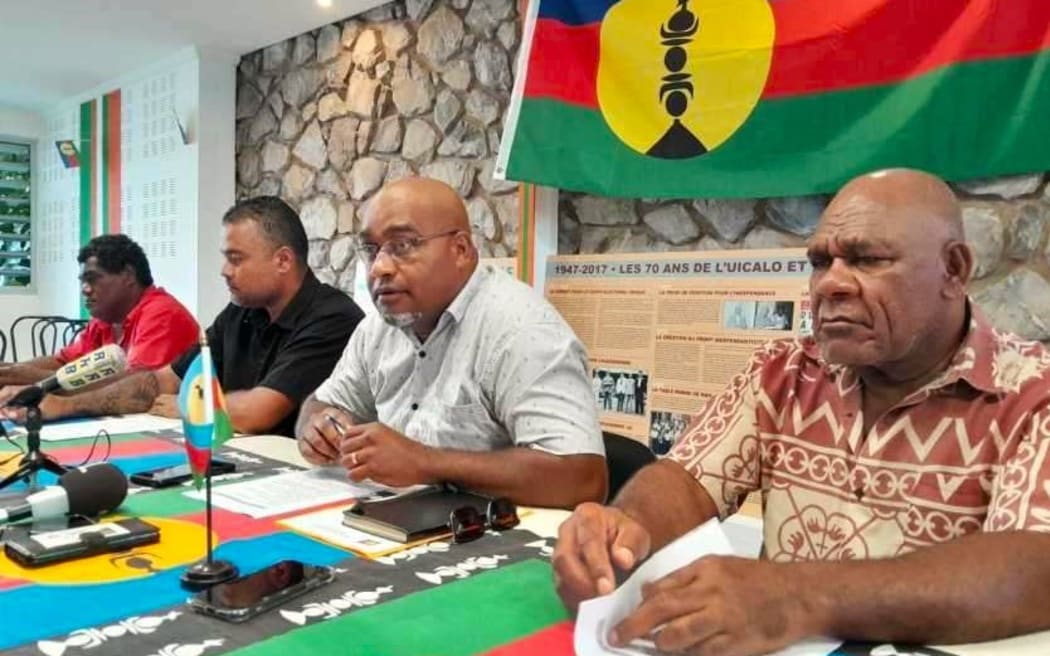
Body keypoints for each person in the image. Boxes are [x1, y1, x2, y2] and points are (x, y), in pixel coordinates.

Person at [552, 169, 1050, 654]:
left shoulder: (1032, 392)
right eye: (819, 261)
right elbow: (684, 481)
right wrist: (623, 527)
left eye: (867, 259)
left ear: (954, 269)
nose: (830, 285)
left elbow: (1033, 567)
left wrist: (797, 595)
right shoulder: (782, 370)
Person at [296, 177, 606, 509]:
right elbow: (319, 405)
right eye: (371, 250)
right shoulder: (378, 328)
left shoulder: (521, 328)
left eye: (402, 246)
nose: (379, 268)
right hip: (395, 524)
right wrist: (318, 427)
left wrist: (426, 463)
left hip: (494, 542)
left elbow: (583, 479)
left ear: (460, 250)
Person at [4, 197, 365, 438]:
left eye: (236, 259)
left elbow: (259, 411)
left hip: (298, 484)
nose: (224, 271)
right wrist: (61, 403)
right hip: (235, 458)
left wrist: (186, 406)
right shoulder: (240, 313)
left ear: (283, 261)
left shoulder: (333, 317)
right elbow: (160, 382)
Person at [0, 234, 198, 395]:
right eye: (83, 281)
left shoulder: (162, 314)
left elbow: (131, 385)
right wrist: (11, 372)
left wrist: (32, 378)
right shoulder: (104, 321)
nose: (85, 289)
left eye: (93, 279)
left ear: (128, 276)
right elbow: (65, 361)